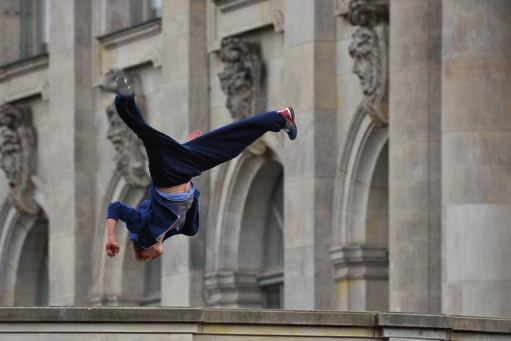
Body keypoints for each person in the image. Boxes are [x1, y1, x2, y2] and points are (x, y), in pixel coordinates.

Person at [105, 76, 297, 261]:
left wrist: (111, 238)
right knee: (228, 146)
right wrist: (188, 153)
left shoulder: (142, 229)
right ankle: (281, 118)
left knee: (147, 134)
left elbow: (116, 208)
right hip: (186, 168)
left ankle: (125, 97)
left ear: (143, 248)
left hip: (166, 174)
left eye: (146, 257)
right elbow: (191, 223)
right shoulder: (179, 228)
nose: (151, 258)